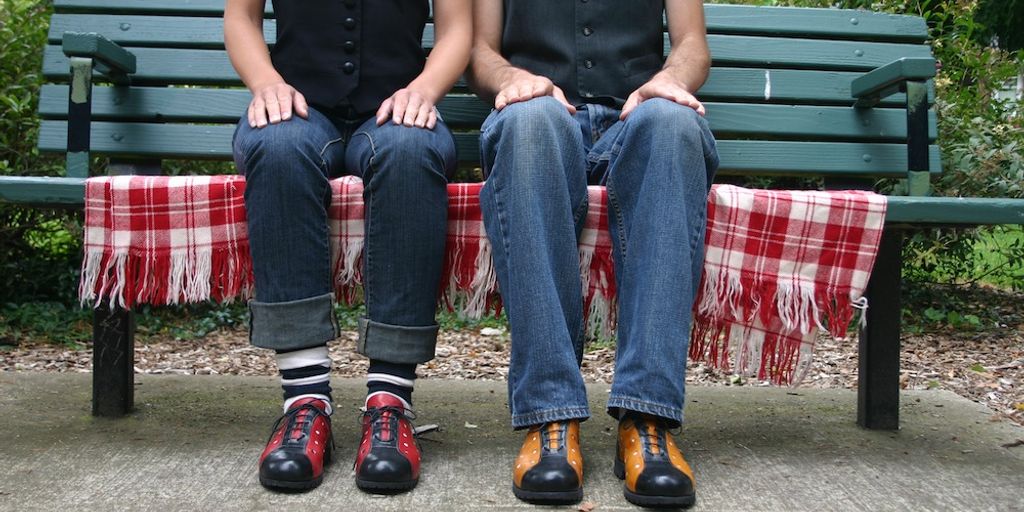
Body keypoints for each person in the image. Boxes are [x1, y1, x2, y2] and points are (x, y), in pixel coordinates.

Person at [467, 0, 719, 507]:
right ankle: (550, 415)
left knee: (674, 125)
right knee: (528, 121)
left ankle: (647, 417)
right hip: (541, 114)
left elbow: (692, 43)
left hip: (637, 116)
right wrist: (513, 79)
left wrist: (668, 81)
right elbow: (480, 51)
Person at [224, 0, 471, 493]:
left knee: (409, 151)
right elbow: (241, 17)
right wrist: (265, 83)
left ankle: (390, 403)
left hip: (394, 108)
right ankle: (304, 403)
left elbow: (456, 28)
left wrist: (422, 92)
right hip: (295, 106)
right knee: (276, 148)